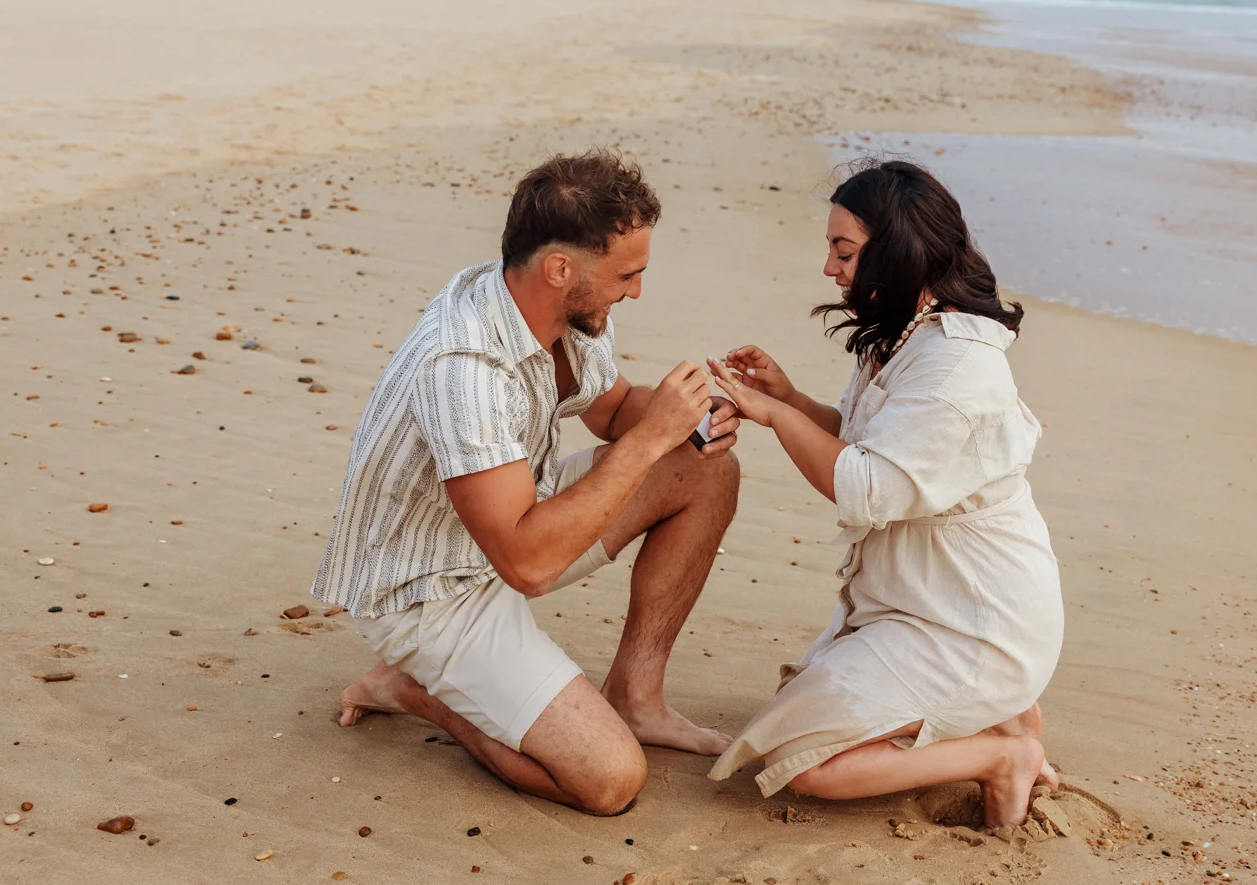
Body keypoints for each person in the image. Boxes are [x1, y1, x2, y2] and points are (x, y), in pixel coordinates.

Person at [312, 148, 741, 816]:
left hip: (510, 521)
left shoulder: (565, 308)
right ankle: (415, 690)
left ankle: (637, 695)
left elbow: (611, 405)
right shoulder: (464, 364)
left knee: (704, 465)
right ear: (560, 268)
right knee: (609, 780)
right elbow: (528, 564)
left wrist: (685, 419)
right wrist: (652, 436)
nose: (635, 291)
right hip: (429, 588)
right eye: (627, 275)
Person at [705, 158, 1063, 829]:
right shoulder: (902, 335)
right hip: (923, 602)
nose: (829, 268)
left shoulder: (959, 362)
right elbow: (862, 443)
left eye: (844, 251)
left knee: (805, 760)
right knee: (800, 705)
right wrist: (787, 397)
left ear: (896, 251)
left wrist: (772, 415)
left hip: (975, 623)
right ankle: (1006, 714)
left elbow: (867, 487)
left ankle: (1000, 754)